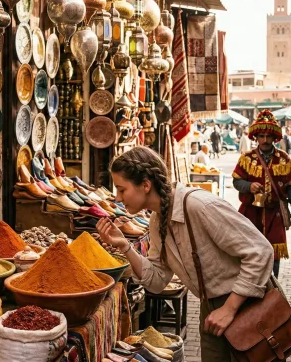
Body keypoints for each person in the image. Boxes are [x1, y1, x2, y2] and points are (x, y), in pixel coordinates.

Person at [96, 146, 274, 361]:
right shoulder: (157, 220)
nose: (117, 198)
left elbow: (261, 251)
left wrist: (229, 308)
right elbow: (157, 281)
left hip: (246, 304)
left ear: (145, 185)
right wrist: (124, 246)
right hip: (211, 307)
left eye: (121, 189)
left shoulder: (199, 206)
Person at [232, 109, 291, 278]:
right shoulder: (246, 158)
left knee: (274, 256)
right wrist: (249, 186)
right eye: (262, 136)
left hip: (275, 215)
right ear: (256, 137)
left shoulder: (284, 159)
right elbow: (236, 182)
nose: (265, 140)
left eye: (268, 136)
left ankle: (272, 291)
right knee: (250, 254)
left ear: (274, 137)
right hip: (250, 214)